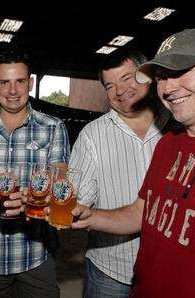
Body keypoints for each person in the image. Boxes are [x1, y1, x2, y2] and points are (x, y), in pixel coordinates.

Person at [71, 28, 195, 297]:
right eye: (162, 76)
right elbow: (142, 212)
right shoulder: (169, 143)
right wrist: (90, 216)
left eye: (182, 70)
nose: (169, 87)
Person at [0, 51, 70, 297]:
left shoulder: (53, 128)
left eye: (20, 81)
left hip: (36, 255)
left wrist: (38, 197)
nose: (13, 90)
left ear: (31, 83)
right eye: (5, 82)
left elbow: (60, 183)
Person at [69, 49, 170, 297]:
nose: (120, 91)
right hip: (112, 272)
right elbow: (77, 200)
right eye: (110, 86)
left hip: (170, 269)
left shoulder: (179, 126)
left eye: (127, 78)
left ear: (148, 75)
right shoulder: (92, 135)